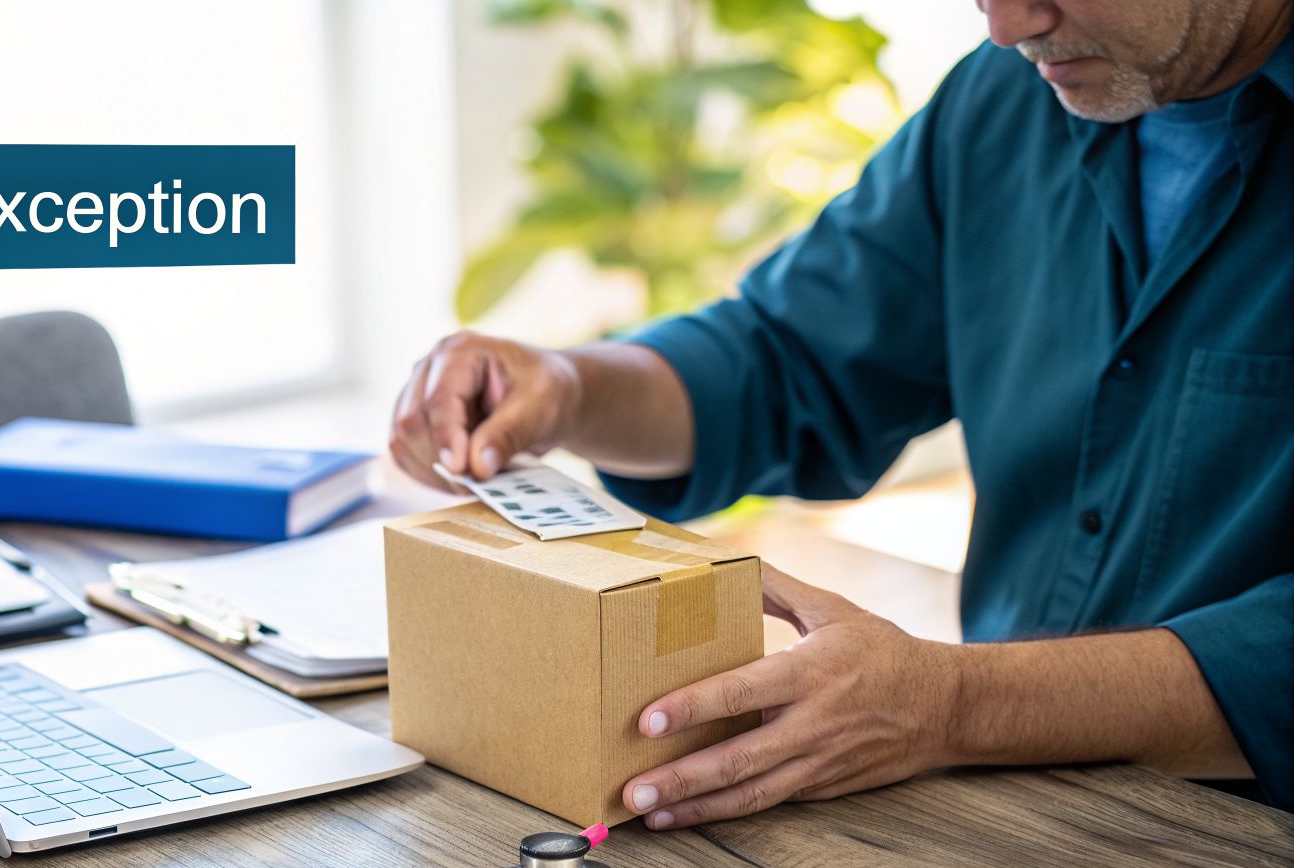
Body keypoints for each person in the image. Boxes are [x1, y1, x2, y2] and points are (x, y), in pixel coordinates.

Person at [389, 0, 1293, 825]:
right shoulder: (1004, 100)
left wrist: (958, 704)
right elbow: (791, 358)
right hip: (1011, 821)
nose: (1009, 27)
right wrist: (573, 387)